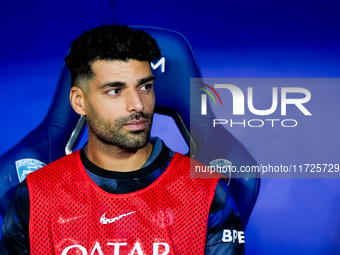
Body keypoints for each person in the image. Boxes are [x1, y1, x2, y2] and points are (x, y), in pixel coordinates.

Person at [0, 25, 245, 254]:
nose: (138, 104)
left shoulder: (206, 191)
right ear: (79, 102)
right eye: (115, 91)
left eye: (145, 87)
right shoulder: (36, 195)